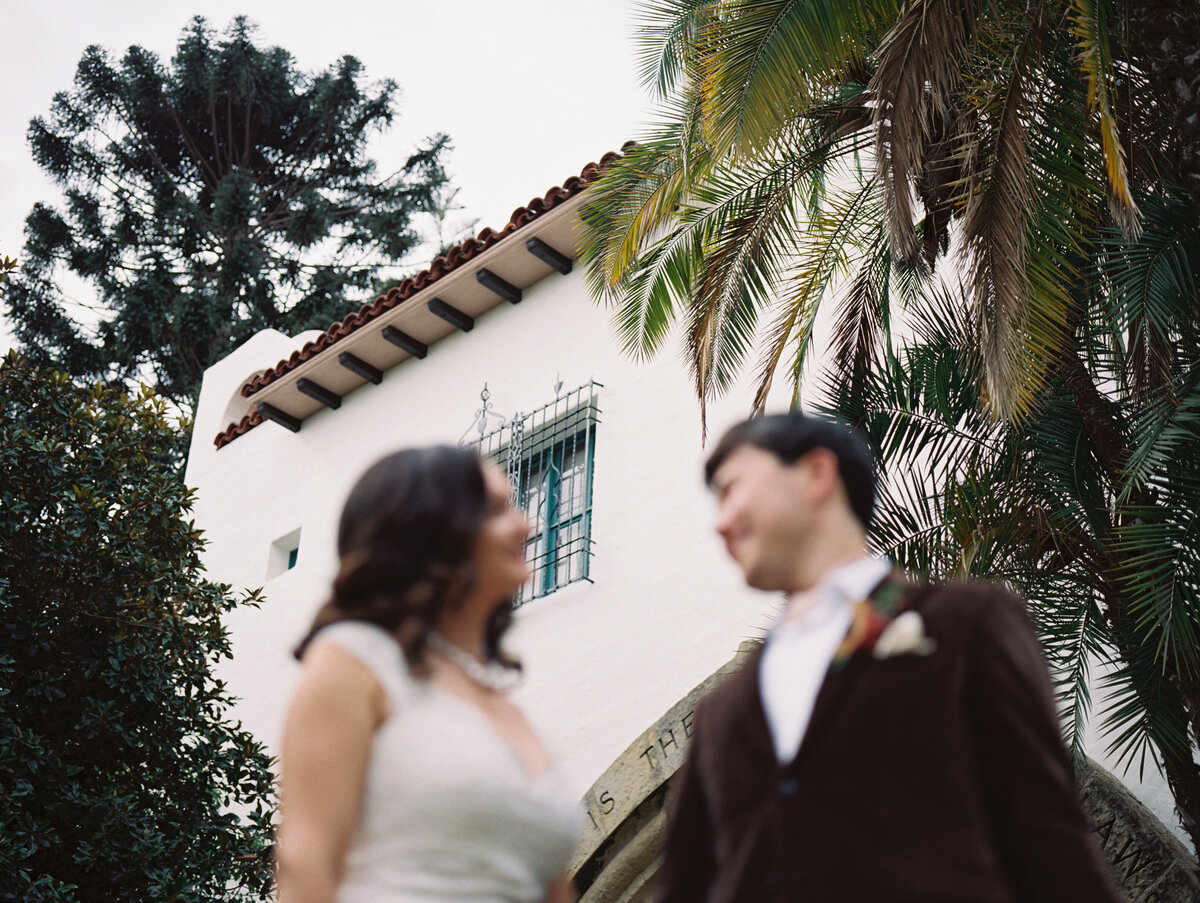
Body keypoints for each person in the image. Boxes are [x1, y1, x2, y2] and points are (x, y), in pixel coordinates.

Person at [658, 413, 1123, 903]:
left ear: (817, 473)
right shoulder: (722, 710)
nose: (720, 522)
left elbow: (1048, 844)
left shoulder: (966, 625)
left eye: (731, 489)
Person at [275, 446, 579, 903]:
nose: (526, 524)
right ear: (434, 530)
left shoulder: (506, 706)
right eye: (497, 510)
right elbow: (307, 869)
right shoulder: (355, 662)